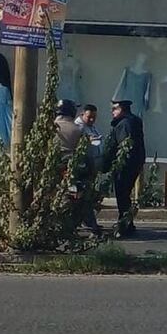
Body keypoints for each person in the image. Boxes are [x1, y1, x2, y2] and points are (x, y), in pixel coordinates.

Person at [55, 100, 101, 235]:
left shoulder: (49, 128)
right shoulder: (77, 130)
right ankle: (91, 226)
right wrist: (92, 171)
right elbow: (87, 153)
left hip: (54, 169)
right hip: (76, 169)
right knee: (83, 199)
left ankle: (58, 225)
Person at [103, 99, 147, 238]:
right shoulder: (133, 121)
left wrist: (112, 162)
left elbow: (124, 146)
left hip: (125, 165)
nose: (112, 112)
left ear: (121, 109)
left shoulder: (125, 124)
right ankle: (127, 222)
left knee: (122, 194)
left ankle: (125, 224)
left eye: (114, 109)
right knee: (125, 194)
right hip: (134, 164)